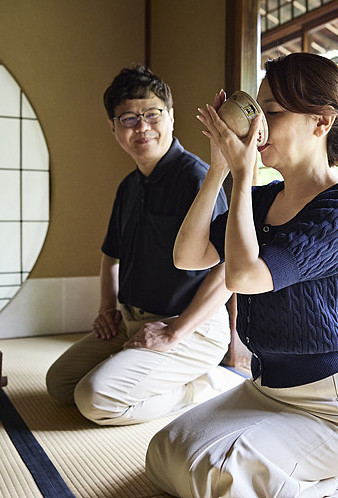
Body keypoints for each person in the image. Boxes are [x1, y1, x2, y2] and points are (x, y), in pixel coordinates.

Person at [146, 53, 338, 497]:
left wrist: (243, 175)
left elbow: (245, 277)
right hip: (267, 389)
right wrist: (219, 170)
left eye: (273, 112)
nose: (259, 126)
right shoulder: (264, 199)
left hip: (335, 407)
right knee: (164, 452)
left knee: (215, 476)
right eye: (257, 111)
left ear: (323, 121)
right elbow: (188, 257)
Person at [45, 65, 232, 426]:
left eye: (152, 114)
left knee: (93, 399)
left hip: (191, 326)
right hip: (133, 320)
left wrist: (176, 331)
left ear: (171, 118)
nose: (142, 127)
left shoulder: (195, 178)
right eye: (129, 119)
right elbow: (110, 255)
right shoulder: (129, 186)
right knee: (61, 384)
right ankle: (147, 371)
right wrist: (105, 309)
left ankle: (199, 387)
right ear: (113, 128)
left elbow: (227, 269)